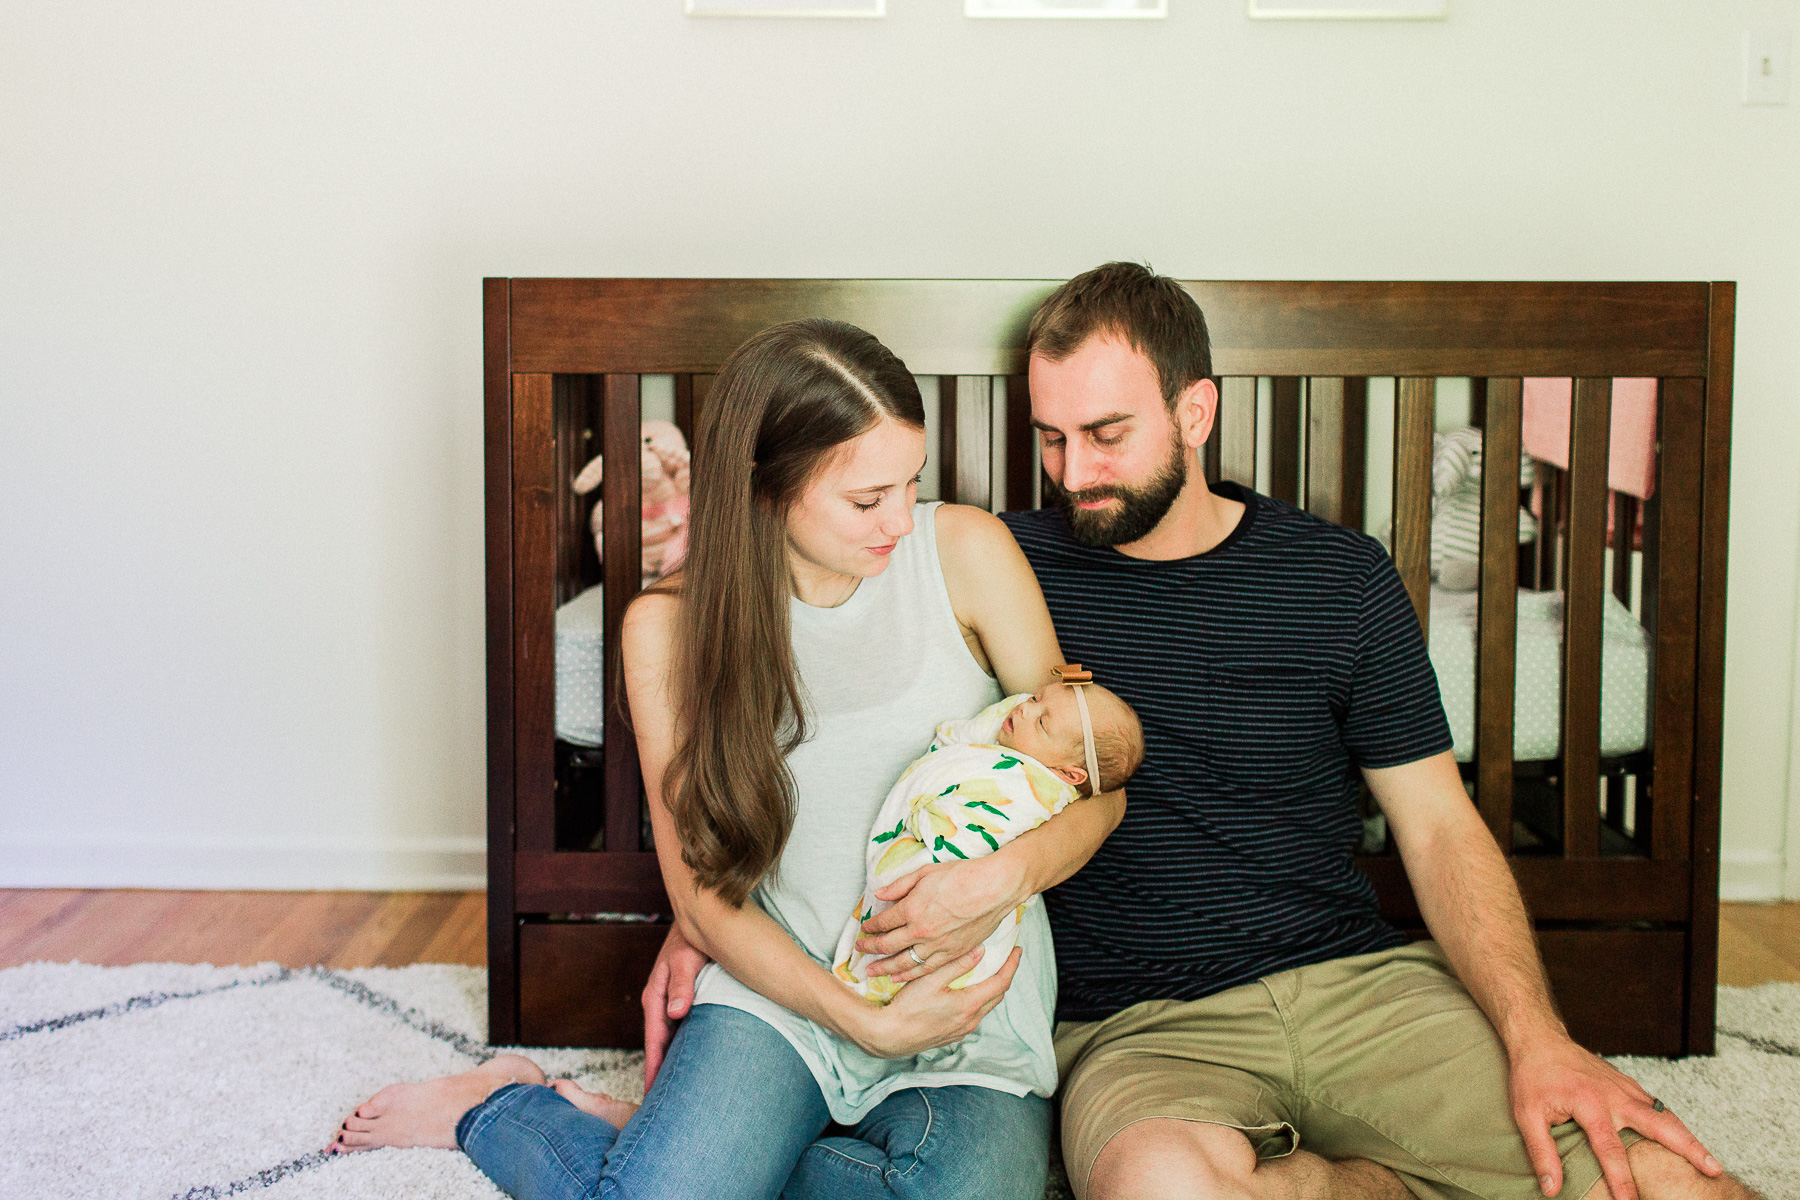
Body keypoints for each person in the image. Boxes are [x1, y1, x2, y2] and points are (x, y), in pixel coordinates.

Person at [645, 267, 1759, 1200]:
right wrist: (702, 916)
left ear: (1196, 411)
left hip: (1361, 990)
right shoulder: (995, 563)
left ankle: (1349, 1177)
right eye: (1050, 438)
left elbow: (1436, 825)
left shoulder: (1338, 578)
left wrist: (1540, 1036)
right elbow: (815, 671)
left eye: (1108, 433)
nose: (1075, 472)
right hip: (1141, 1034)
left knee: (1662, 1176)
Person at [326, 318, 1128, 1200]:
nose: (902, 519)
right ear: (766, 487)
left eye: (912, 484)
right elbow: (702, 902)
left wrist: (1002, 879)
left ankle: (658, 1142)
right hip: (780, 996)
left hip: (961, 1011)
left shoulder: (965, 552)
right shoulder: (667, 632)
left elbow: (1097, 789)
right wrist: (855, 1017)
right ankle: (502, 1106)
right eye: (867, 500)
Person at [831, 678, 1145, 1002]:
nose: (1024, 709)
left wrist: (926, 817)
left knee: (909, 930)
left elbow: (973, 845)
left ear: (1069, 775)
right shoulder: (1018, 742)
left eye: (1041, 723)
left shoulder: (1031, 793)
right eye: (1036, 698)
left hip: (950, 890)